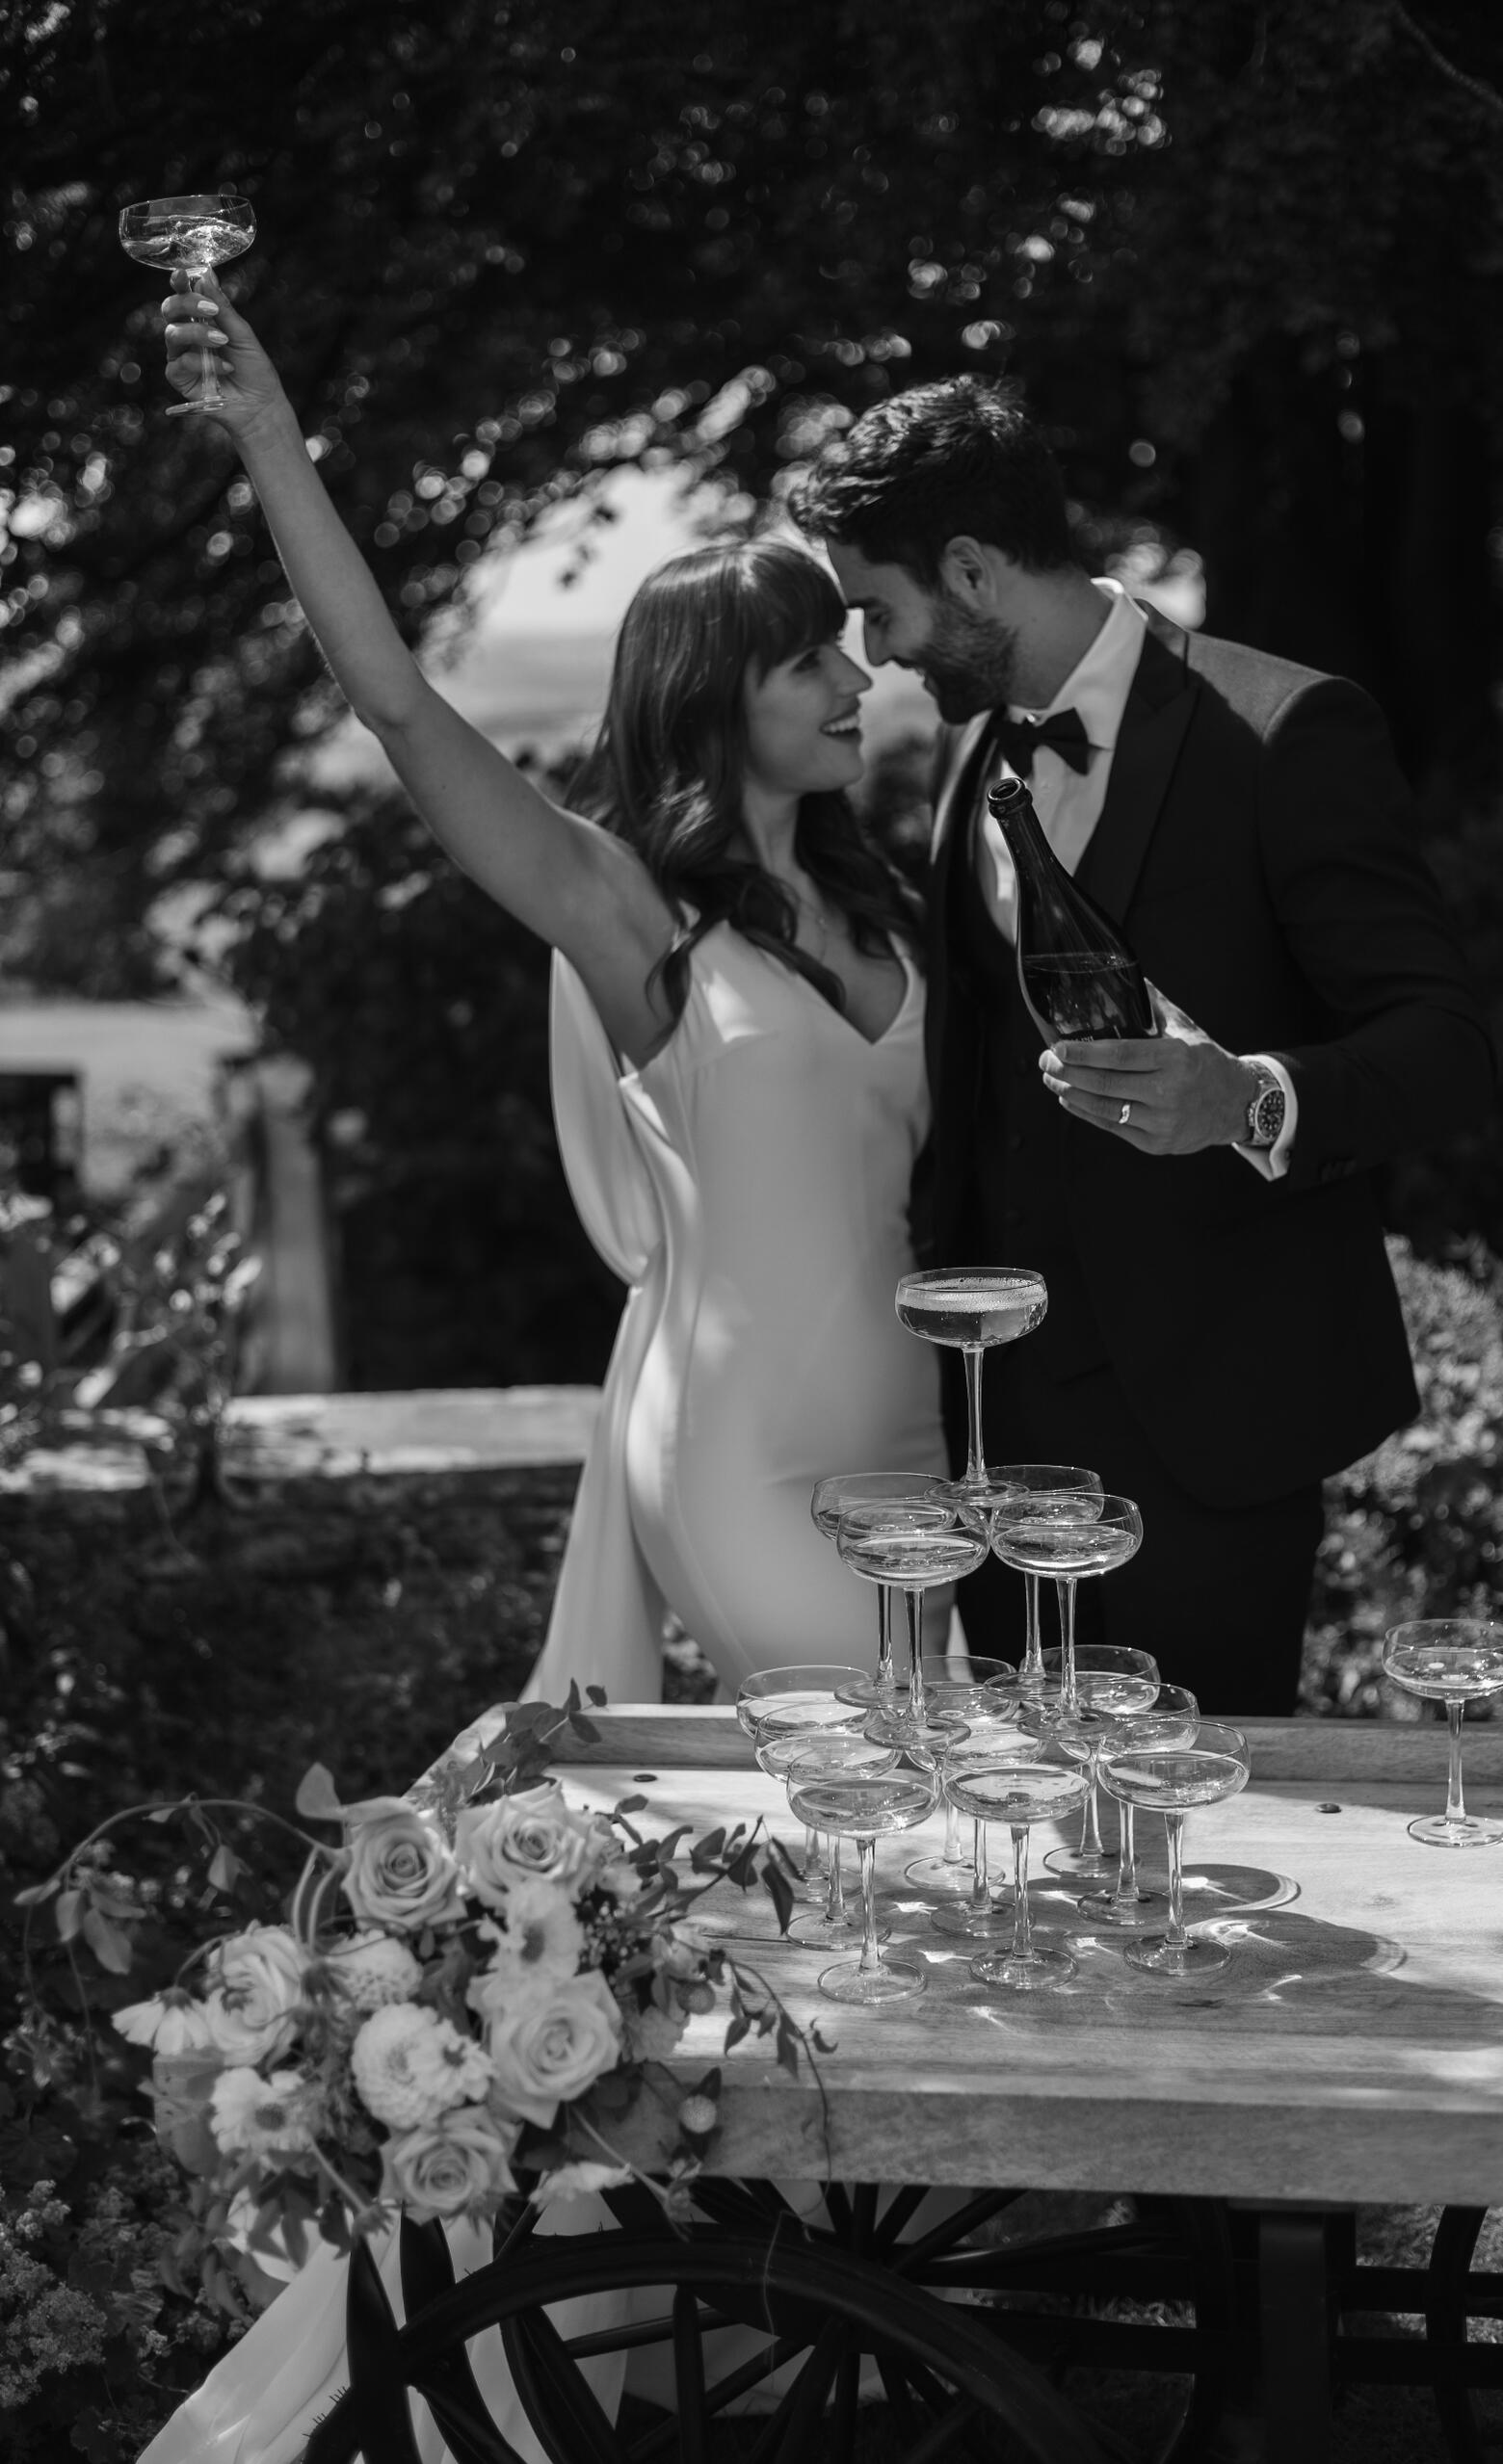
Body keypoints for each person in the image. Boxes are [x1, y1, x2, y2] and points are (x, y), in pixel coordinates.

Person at [158, 278, 945, 1705]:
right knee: (868, 1784)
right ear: (715, 703)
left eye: (846, 647)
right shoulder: (626, 910)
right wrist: (270, 433)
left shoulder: (888, 903)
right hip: (740, 1458)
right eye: (807, 661)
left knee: (910, 1835)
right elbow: (396, 702)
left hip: (918, 1447)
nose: (855, 679)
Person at [798, 376, 1496, 1715]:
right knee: (1034, 1846)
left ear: (970, 568)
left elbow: (1446, 1047)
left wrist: (1247, 1097)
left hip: (1213, 1423)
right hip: (1007, 1431)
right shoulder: (973, 758)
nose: (877, 654)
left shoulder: (1284, 732)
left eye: (878, 609)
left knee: (1202, 1850)